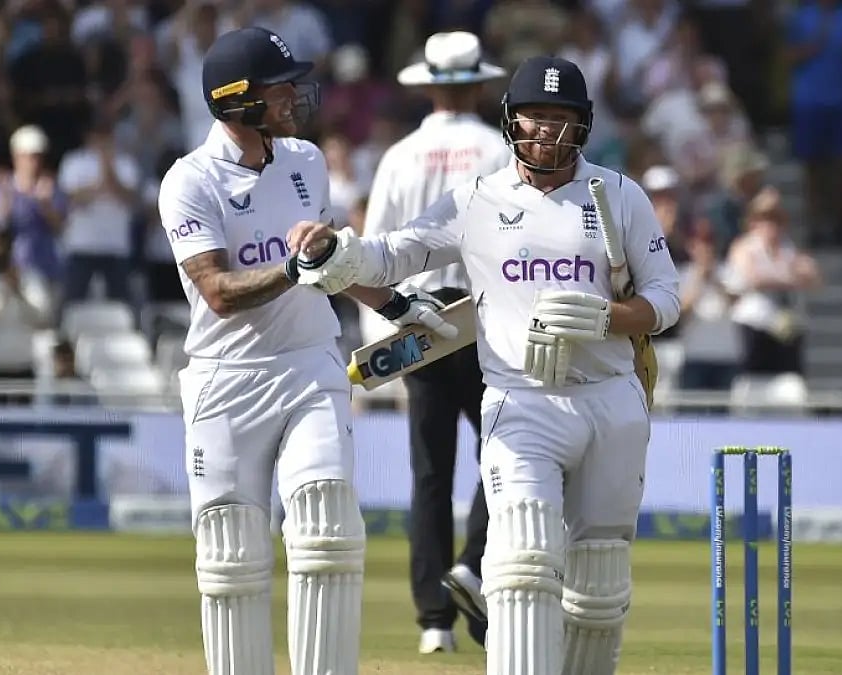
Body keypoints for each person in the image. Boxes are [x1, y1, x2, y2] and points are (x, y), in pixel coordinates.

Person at [284, 56, 681, 675]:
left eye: (560, 119)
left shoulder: (619, 195)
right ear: (510, 121)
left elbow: (665, 301)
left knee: (599, 584)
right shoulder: (477, 198)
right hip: (520, 400)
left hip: (611, 396)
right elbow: (393, 256)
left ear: (582, 125)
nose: (545, 132)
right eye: (534, 118)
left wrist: (607, 318)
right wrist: (337, 250)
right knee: (521, 560)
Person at [156, 27, 456, 675]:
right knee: (231, 559)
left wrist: (398, 306)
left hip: (310, 366)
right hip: (226, 381)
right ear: (237, 100)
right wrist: (295, 268)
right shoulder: (189, 181)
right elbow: (216, 290)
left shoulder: (306, 161)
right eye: (280, 86)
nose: (295, 95)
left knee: (328, 530)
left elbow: (330, 265)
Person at [362, 30, 509, 654]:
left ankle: (433, 623)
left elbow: (373, 247)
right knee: (501, 458)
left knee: (428, 474)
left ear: (428, 87)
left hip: (415, 325)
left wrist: (383, 337)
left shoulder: (399, 156)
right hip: (480, 323)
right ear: (477, 84)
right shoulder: (499, 149)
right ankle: (473, 568)